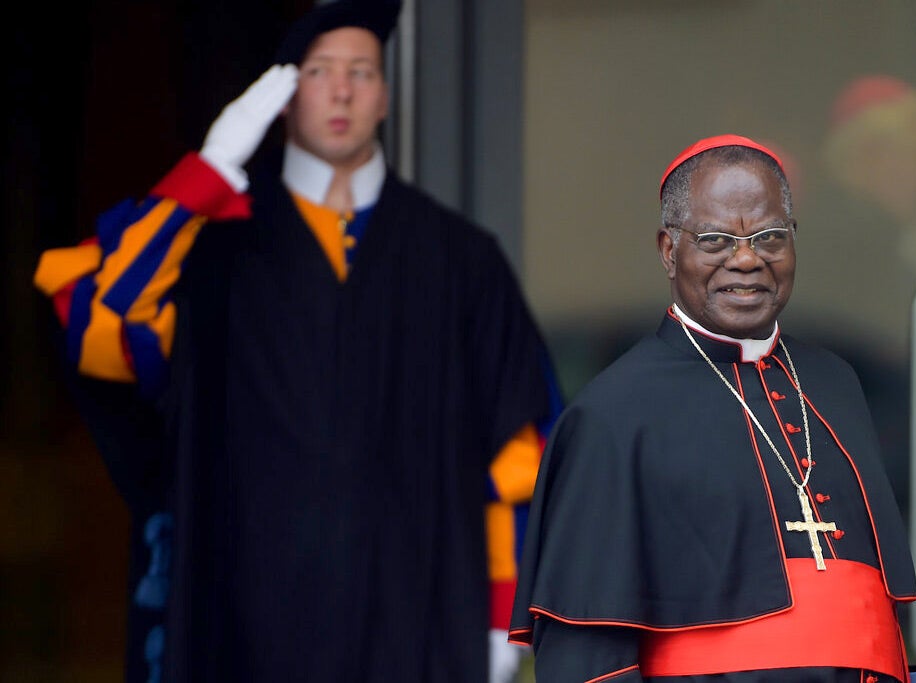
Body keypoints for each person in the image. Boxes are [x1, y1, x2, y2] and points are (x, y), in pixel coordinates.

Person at [32, 1, 558, 682]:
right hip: (242, 630)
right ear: (281, 97)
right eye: (318, 71)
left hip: (416, 633)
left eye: (361, 72)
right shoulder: (213, 251)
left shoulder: (460, 260)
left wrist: (498, 622)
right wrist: (211, 169)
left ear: (385, 97)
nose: (341, 90)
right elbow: (108, 317)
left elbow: (518, 450)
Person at [509, 134, 916, 682]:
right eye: (716, 239)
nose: (747, 259)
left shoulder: (836, 383)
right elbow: (586, 660)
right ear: (668, 250)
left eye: (769, 236)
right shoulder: (612, 415)